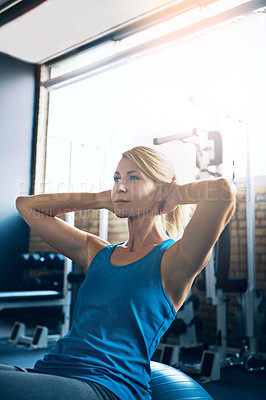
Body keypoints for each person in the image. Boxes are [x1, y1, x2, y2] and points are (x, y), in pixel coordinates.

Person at [1, 146, 235, 400]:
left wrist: (174, 194)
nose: (120, 186)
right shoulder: (97, 252)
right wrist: (100, 199)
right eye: (117, 178)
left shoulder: (176, 260)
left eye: (134, 178)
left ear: (160, 189)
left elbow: (223, 191)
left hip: (107, 386)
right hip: (50, 371)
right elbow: (26, 206)